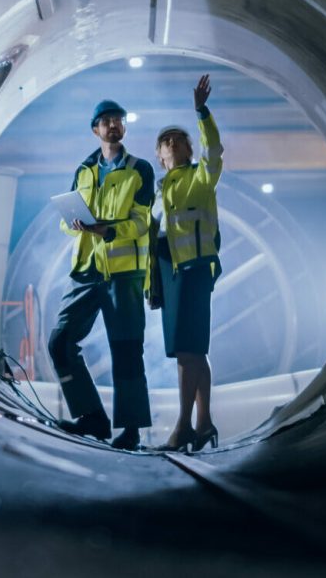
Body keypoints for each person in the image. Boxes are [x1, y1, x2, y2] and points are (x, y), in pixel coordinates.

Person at [48, 99, 155, 450]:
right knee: (61, 342)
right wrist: (75, 223)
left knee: (126, 350)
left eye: (118, 120)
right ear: (96, 129)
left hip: (123, 274)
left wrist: (107, 230)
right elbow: (68, 225)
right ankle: (91, 417)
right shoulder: (84, 170)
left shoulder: (140, 171)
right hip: (86, 270)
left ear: (124, 128)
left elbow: (142, 222)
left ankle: (132, 430)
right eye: (107, 121)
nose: (113, 125)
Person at [147, 74, 224, 452]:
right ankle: (204, 423)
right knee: (194, 350)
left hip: (193, 272)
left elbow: (215, 152)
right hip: (170, 275)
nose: (172, 143)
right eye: (165, 141)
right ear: (159, 156)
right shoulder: (158, 193)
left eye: (179, 139)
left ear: (189, 150)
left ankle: (181, 428)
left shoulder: (201, 177)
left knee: (186, 352)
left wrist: (201, 112)